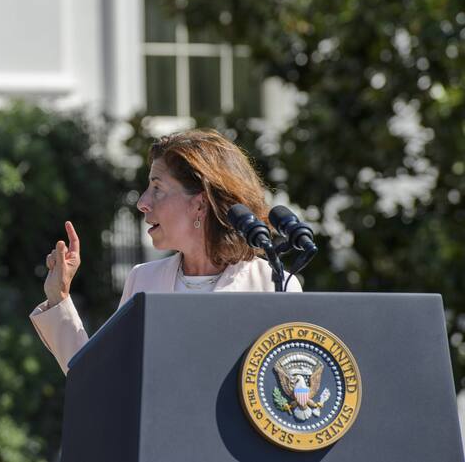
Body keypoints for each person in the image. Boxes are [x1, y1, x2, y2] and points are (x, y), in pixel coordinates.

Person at [30, 129, 301, 374]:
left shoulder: (273, 285)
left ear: (200, 204)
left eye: (157, 188)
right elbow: (101, 380)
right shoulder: (143, 280)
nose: (143, 202)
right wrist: (58, 297)